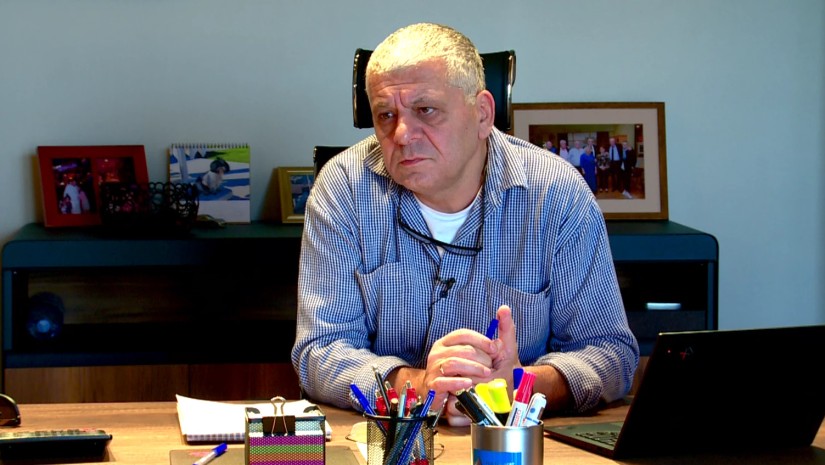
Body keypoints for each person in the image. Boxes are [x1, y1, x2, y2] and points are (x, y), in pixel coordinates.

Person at [291, 22, 639, 426]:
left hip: (513, 443)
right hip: (390, 442)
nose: (402, 134)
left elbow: (609, 352)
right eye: (386, 115)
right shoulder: (343, 189)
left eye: (426, 110)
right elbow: (320, 351)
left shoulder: (556, 194)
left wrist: (516, 385)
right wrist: (422, 387)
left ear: (482, 114)